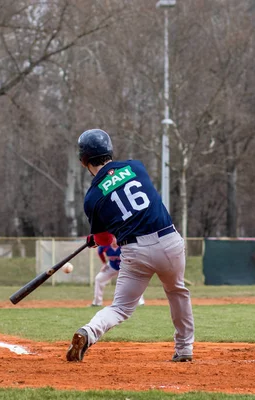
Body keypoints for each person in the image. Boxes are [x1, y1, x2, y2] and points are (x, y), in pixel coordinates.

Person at [66, 129, 194, 363]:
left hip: (136, 251)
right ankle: (184, 349)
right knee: (177, 292)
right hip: (169, 241)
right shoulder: (136, 167)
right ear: (109, 150)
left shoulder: (92, 197)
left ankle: (89, 332)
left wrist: (96, 237)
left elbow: (104, 240)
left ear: (83, 160)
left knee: (120, 308)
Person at [92, 237, 145, 307]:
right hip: (111, 267)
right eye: (112, 238)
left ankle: (140, 302)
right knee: (99, 279)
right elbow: (99, 252)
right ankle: (97, 302)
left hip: (125, 267)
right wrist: (104, 263)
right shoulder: (105, 246)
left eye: (115, 238)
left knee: (134, 281)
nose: (114, 240)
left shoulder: (123, 245)